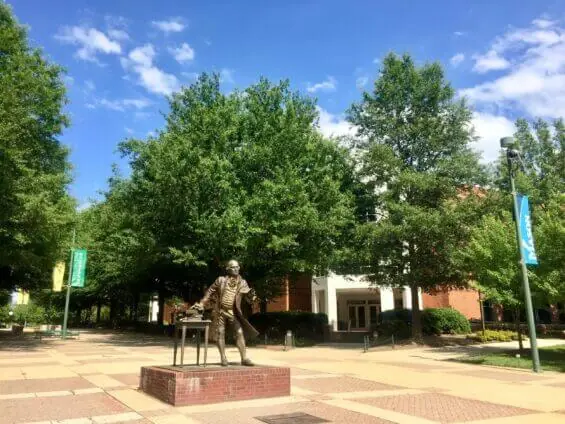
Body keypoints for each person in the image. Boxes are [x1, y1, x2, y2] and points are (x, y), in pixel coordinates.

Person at [192, 260, 258, 366]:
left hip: (233, 312)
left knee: (239, 332)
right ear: (228, 269)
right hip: (220, 311)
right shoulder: (220, 280)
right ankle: (223, 357)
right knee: (220, 333)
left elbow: (248, 299)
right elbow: (209, 292)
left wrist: (252, 297)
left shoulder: (243, 282)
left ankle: (244, 358)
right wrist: (202, 304)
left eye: (237, 267)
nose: (236, 269)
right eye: (233, 267)